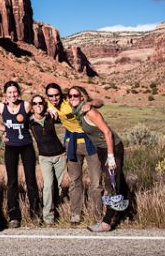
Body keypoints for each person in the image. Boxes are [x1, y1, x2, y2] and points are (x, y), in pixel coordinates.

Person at [68, 86, 130, 232]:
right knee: (115, 182)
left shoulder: (89, 111)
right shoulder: (78, 111)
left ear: (82, 97)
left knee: (111, 184)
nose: (72, 98)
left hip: (112, 148)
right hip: (101, 149)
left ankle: (106, 223)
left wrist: (111, 157)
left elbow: (107, 132)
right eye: (69, 96)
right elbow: (99, 101)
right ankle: (125, 213)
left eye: (75, 95)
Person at [44, 82, 102, 224]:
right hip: (72, 144)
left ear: (61, 94)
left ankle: (98, 215)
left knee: (96, 182)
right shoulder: (48, 104)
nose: (54, 98)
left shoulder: (70, 100)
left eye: (56, 95)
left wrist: (91, 103)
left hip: (91, 143)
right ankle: (76, 214)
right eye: (50, 96)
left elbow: (100, 102)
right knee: (75, 181)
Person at [0, 81, 41, 228]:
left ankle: (35, 214)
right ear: (5, 94)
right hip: (11, 148)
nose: (12, 95)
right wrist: (3, 129)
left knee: (31, 181)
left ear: (18, 92)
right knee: (12, 182)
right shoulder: (1, 106)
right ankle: (14, 216)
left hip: (26, 146)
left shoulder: (25, 105)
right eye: (9, 92)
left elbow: (39, 112)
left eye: (15, 92)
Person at [29, 94, 66, 226]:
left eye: (40, 103)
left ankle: (57, 211)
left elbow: (67, 120)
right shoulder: (29, 122)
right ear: (31, 106)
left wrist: (52, 110)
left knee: (58, 186)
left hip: (60, 156)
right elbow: (14, 126)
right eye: (35, 103)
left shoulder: (50, 116)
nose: (38, 106)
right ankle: (48, 218)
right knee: (48, 185)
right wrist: (5, 134)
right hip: (44, 158)